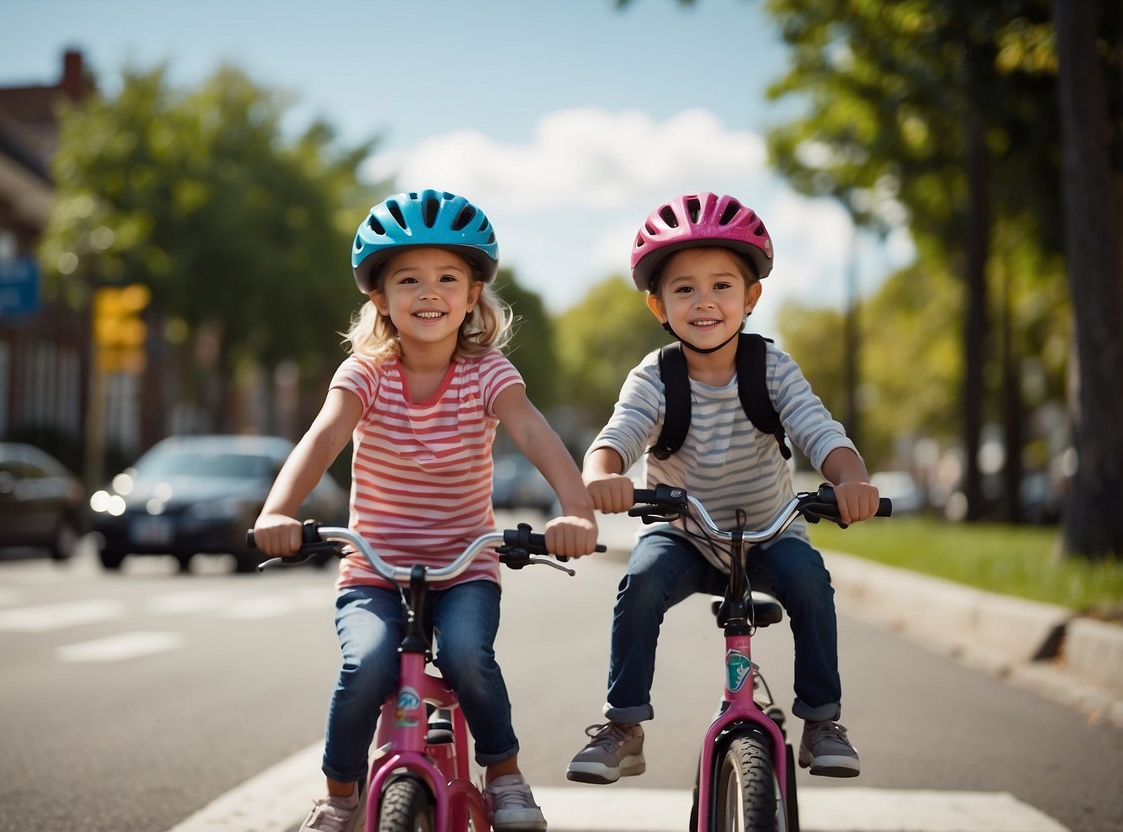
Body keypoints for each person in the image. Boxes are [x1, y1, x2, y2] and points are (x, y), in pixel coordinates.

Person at [253, 188, 598, 832]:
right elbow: (324, 436)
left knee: (469, 655)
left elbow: (532, 432)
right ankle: (340, 793)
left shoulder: (487, 372)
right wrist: (279, 509)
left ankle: (505, 778)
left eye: (448, 277)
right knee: (367, 663)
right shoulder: (366, 373)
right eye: (407, 280)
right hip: (374, 570)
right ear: (380, 299)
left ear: (473, 296)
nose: (429, 291)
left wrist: (575, 508)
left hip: (465, 566)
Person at [565, 191, 880, 785]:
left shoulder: (772, 370)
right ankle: (624, 726)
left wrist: (852, 480)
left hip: (769, 533)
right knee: (641, 578)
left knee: (811, 581)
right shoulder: (655, 377)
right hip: (685, 536)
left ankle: (821, 719)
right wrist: (602, 476)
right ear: (658, 304)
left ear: (751, 297)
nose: (703, 302)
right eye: (683, 289)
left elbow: (820, 431)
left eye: (721, 286)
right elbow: (620, 435)